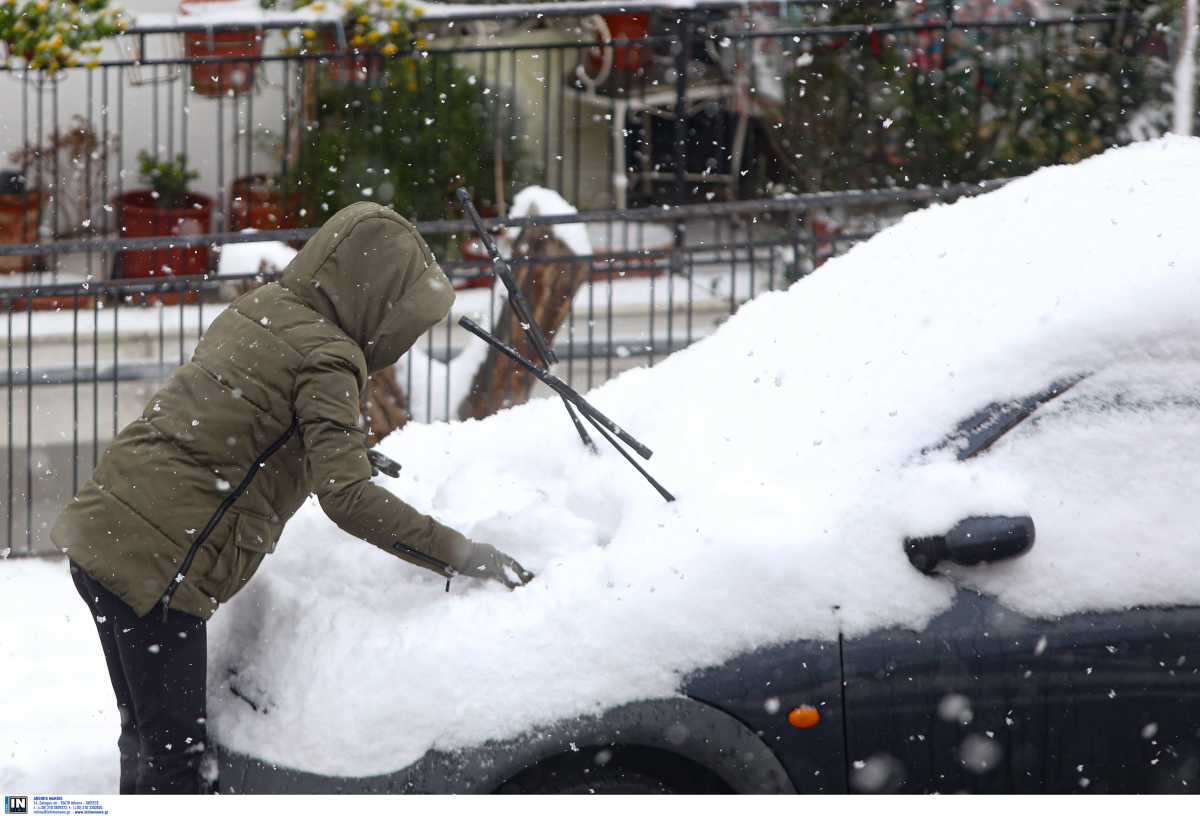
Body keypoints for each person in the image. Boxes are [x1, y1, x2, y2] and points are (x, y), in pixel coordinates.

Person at [53, 202, 533, 794]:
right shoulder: (330, 358)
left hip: (106, 528)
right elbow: (348, 499)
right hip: (159, 570)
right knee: (180, 768)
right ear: (380, 302)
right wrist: (461, 554)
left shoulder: (263, 307)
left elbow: (244, 414)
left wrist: (330, 447)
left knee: (146, 734)